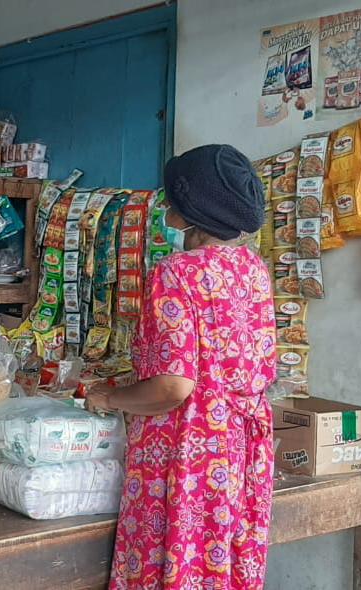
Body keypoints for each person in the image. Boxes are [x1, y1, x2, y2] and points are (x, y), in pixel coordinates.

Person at [86, 144, 277, 589]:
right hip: (241, 449)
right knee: (222, 566)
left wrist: (109, 398)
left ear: (183, 210)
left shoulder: (176, 273)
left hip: (191, 449)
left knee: (173, 565)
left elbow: (174, 386)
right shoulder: (252, 269)